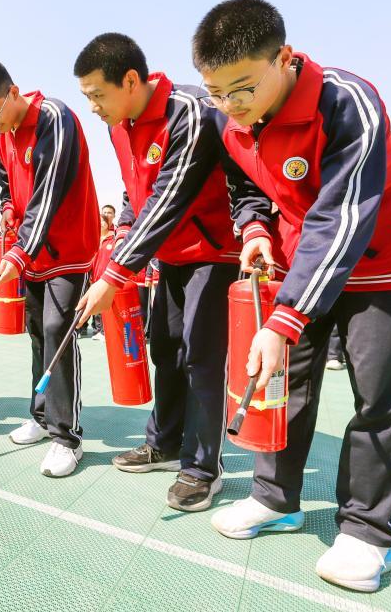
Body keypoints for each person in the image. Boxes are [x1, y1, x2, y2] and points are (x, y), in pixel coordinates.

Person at [191, 0, 391, 592]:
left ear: (285, 59)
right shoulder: (229, 116)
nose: (229, 107)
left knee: (379, 399)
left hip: (378, 262)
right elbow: (244, 183)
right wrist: (255, 230)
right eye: (216, 93)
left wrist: (285, 318)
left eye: (241, 88)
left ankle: (367, 530)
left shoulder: (349, 102)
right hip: (300, 261)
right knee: (281, 386)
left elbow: (342, 216)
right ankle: (275, 498)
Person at [73, 32, 242, 510]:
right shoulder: (119, 124)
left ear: (131, 80)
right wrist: (125, 227)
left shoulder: (189, 111)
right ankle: (165, 443)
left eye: (98, 95)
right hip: (169, 255)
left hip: (213, 253)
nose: (94, 107)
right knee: (165, 348)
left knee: (201, 358)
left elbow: (170, 196)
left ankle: (203, 467)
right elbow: (136, 190)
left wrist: (114, 275)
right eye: (88, 98)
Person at [0, 59, 100, 477]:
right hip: (33, 250)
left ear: (14, 92)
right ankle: (41, 417)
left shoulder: (54, 119)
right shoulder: (1, 135)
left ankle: (66, 437)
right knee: (39, 331)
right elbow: (6, 182)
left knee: (59, 332)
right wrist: (6, 208)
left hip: (69, 248)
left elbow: (48, 194)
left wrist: (16, 253)